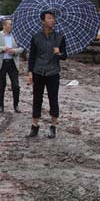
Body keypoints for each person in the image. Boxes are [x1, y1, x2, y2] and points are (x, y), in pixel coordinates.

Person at [27, 11, 67, 139]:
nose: (52, 20)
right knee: (37, 99)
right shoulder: (36, 37)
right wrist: (30, 72)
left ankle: (53, 127)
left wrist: (59, 53)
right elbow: (32, 56)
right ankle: (34, 126)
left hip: (53, 72)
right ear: (42, 21)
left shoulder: (60, 37)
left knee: (53, 99)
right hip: (38, 72)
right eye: (49, 18)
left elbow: (65, 56)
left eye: (53, 18)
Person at [0, 19, 24, 113]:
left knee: (16, 86)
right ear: (4, 26)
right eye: (10, 24)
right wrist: (2, 48)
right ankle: (1, 106)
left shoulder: (16, 35)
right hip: (1, 63)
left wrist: (14, 51)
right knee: (1, 86)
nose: (12, 26)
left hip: (13, 63)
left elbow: (22, 48)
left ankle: (16, 106)